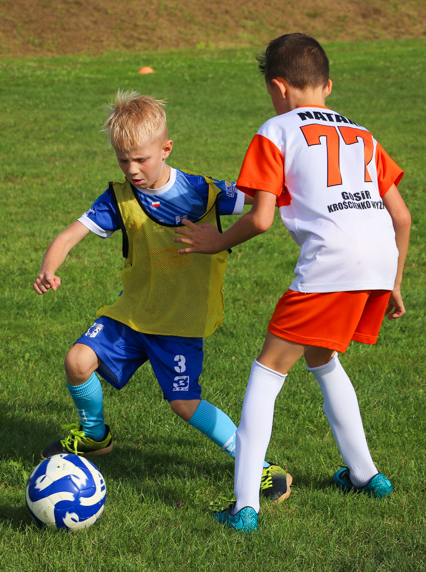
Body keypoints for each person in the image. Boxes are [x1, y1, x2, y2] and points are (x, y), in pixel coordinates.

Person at [176, 33, 411, 532]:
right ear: (327, 85)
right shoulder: (363, 133)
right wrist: (393, 280)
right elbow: (402, 216)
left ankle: (244, 506)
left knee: (267, 371)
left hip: (332, 265)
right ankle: (366, 476)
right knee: (322, 357)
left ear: (278, 87)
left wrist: (215, 243)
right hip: (378, 264)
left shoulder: (276, 129)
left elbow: (260, 218)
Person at [32, 90, 292, 502]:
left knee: (184, 404)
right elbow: (70, 234)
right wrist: (50, 266)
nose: (132, 169)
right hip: (132, 314)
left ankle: (258, 465)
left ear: (166, 148)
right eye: (123, 160)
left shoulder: (205, 193)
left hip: (178, 322)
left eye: (141, 159)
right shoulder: (120, 197)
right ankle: (95, 436)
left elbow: (264, 197)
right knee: (77, 361)